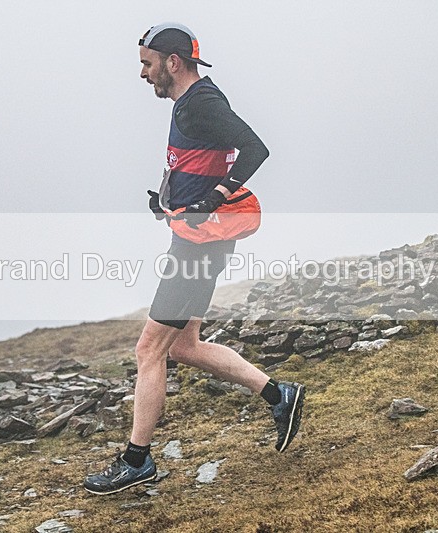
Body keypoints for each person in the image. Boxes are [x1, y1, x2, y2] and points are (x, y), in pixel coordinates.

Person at [83, 22, 306, 496]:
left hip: (198, 245)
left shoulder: (202, 103)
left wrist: (218, 195)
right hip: (196, 237)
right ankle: (279, 394)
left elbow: (256, 148)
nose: (143, 74)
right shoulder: (190, 103)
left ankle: (136, 460)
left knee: (149, 350)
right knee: (183, 346)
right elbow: (196, 161)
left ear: (173, 62)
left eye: (147, 64)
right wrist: (168, 201)